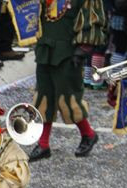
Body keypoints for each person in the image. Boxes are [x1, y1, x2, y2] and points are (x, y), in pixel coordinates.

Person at [28, 0, 107, 161]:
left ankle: (88, 134)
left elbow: (93, 19)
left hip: (68, 52)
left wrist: (83, 48)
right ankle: (43, 144)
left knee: (68, 97)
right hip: (45, 48)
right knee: (44, 96)